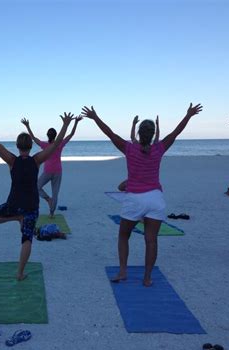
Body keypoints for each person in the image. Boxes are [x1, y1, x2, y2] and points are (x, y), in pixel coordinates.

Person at [82, 103, 202, 286]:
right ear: (153, 134)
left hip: (135, 199)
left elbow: (110, 134)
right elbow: (176, 132)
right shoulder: (159, 148)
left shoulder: (130, 148)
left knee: (123, 236)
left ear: (138, 133)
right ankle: (147, 278)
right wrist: (188, 115)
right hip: (155, 199)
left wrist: (95, 117)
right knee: (151, 240)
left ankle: (123, 271)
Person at [0, 111, 74, 280]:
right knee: (27, 239)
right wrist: (66, 124)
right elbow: (55, 145)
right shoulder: (36, 160)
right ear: (30, 146)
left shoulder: (12, 160)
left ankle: (16, 217)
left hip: (14, 204)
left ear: (17, 146)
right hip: (31, 207)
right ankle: (20, 272)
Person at [20, 116, 83, 217]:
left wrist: (27, 126)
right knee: (55, 194)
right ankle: (51, 212)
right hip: (58, 171)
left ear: (47, 135)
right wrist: (75, 122)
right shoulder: (60, 144)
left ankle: (48, 200)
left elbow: (34, 138)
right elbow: (71, 134)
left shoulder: (45, 145)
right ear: (56, 135)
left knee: (37, 187)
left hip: (48, 171)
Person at [118, 115, 160, 191]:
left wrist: (133, 124)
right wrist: (157, 126)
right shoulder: (155, 149)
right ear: (152, 134)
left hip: (137, 181)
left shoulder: (135, 147)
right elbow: (157, 137)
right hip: (150, 181)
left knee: (120, 187)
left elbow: (132, 137)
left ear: (140, 133)